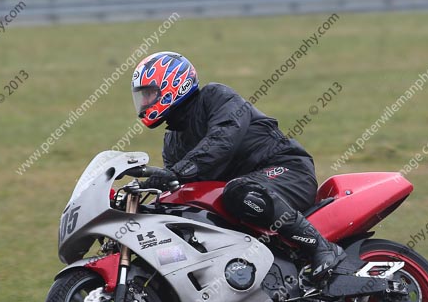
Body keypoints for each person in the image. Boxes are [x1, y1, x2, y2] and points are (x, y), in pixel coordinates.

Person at [131, 51, 356, 282]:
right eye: (143, 96)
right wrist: (153, 191)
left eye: (149, 94)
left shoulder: (215, 96)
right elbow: (181, 189)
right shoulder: (172, 140)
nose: (145, 102)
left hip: (287, 171)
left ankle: (321, 248)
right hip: (245, 193)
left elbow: (223, 139)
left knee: (239, 191)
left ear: (174, 84)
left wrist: (177, 172)